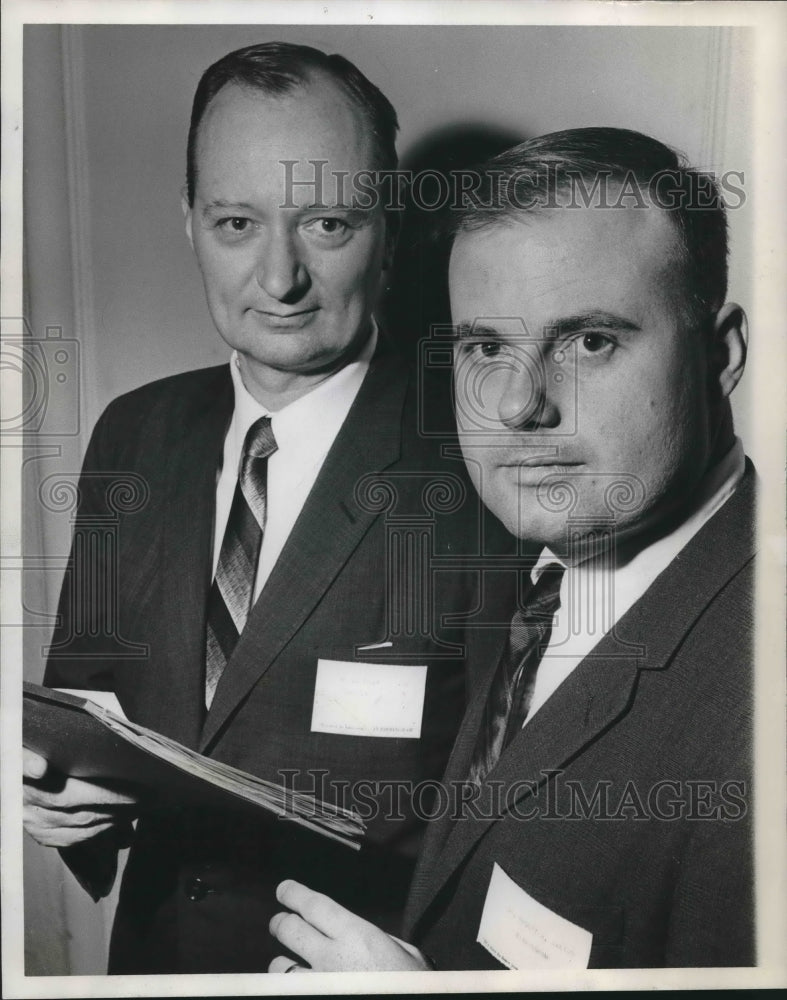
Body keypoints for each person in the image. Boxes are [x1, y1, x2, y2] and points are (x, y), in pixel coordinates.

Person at [23, 41, 487, 974]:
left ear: (391, 229)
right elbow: (80, 705)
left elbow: (512, 808)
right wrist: (54, 794)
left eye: (326, 224)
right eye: (236, 222)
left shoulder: (484, 457)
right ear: (187, 221)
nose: (279, 279)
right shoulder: (133, 434)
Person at [267, 127, 756, 970]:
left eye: (589, 342)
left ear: (718, 356)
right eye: (487, 348)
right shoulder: (537, 577)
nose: (520, 407)